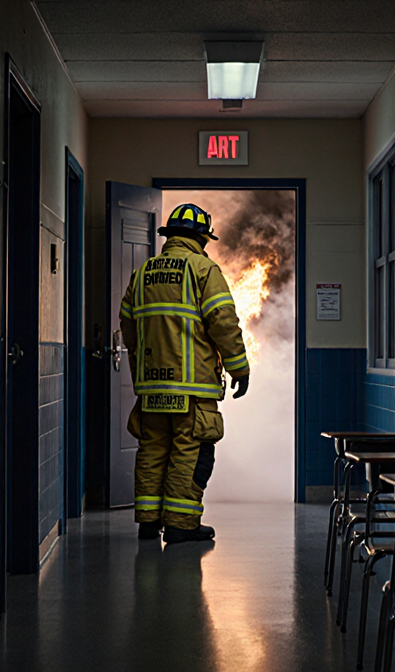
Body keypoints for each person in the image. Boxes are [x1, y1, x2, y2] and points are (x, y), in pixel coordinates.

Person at [119, 203, 251, 544]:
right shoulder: (203, 269)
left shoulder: (144, 272)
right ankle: (181, 524)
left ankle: (148, 522)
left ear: (169, 236)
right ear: (199, 238)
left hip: (152, 387)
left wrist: (141, 369)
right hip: (192, 390)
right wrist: (239, 367)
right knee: (191, 452)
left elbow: (128, 324)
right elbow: (222, 321)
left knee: (152, 450)